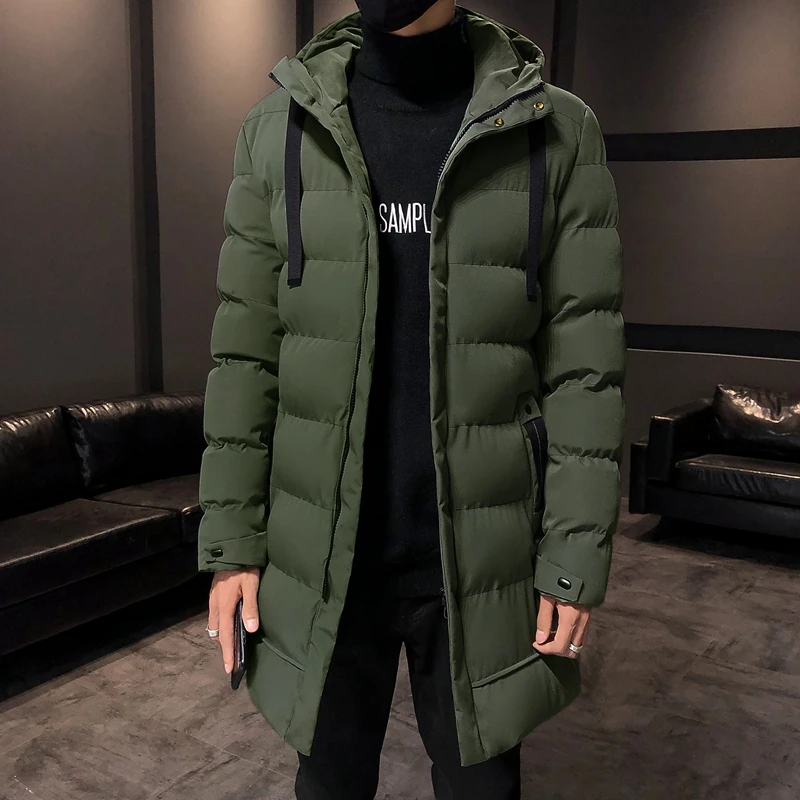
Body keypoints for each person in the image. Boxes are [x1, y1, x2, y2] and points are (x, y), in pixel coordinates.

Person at [198, 1, 626, 797]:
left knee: (481, 788)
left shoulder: (557, 132)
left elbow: (585, 372)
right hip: (320, 557)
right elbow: (245, 360)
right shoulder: (277, 131)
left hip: (481, 556)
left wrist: (574, 557)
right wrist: (231, 543)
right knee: (328, 784)